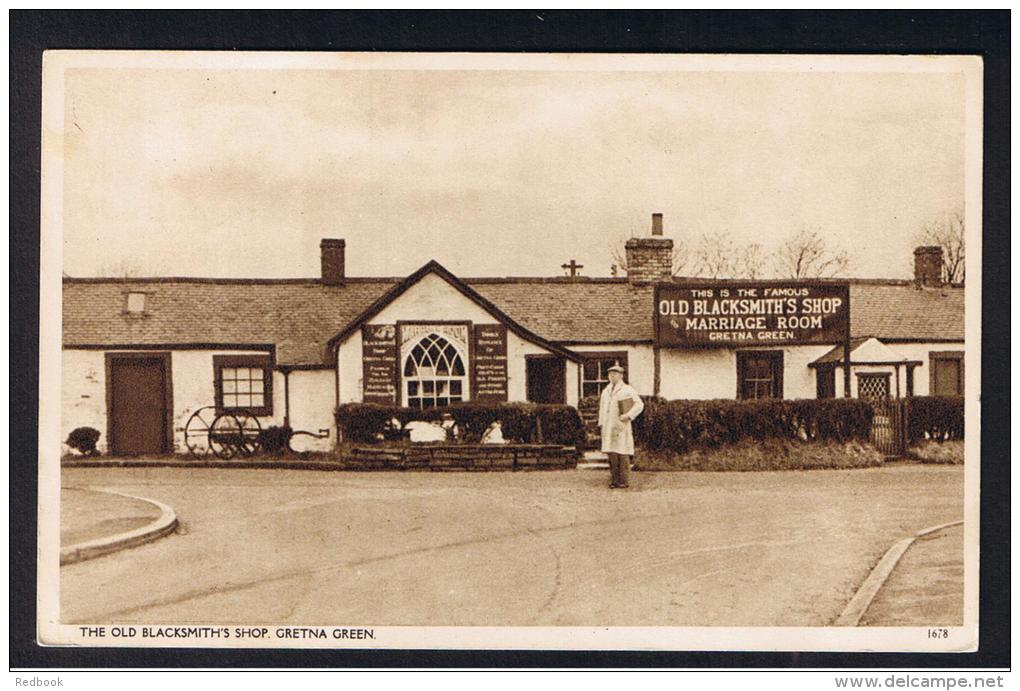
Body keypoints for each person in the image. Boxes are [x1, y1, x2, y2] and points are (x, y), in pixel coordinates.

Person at [598, 363, 644, 489]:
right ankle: (614, 481)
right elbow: (602, 409)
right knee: (612, 454)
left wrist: (629, 415)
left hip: (621, 426)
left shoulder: (627, 389)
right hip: (608, 427)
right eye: (610, 374)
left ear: (621, 376)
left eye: (615, 374)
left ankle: (623, 481)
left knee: (622, 454)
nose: (611, 376)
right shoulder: (605, 391)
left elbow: (639, 404)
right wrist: (601, 423)